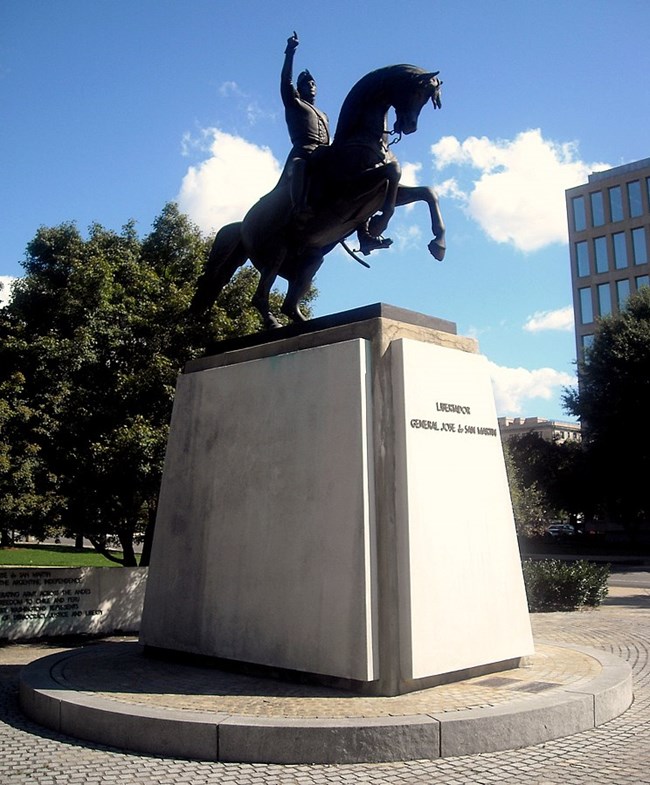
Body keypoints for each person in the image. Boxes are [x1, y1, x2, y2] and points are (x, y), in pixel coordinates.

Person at [280, 32, 392, 254]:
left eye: (313, 83)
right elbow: (285, 82)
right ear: (299, 89)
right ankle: (299, 208)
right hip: (303, 152)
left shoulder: (324, 115)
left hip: (324, 153)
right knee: (301, 164)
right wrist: (290, 53)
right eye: (306, 83)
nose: (311, 86)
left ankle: (365, 234)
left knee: (355, 181)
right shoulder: (294, 104)